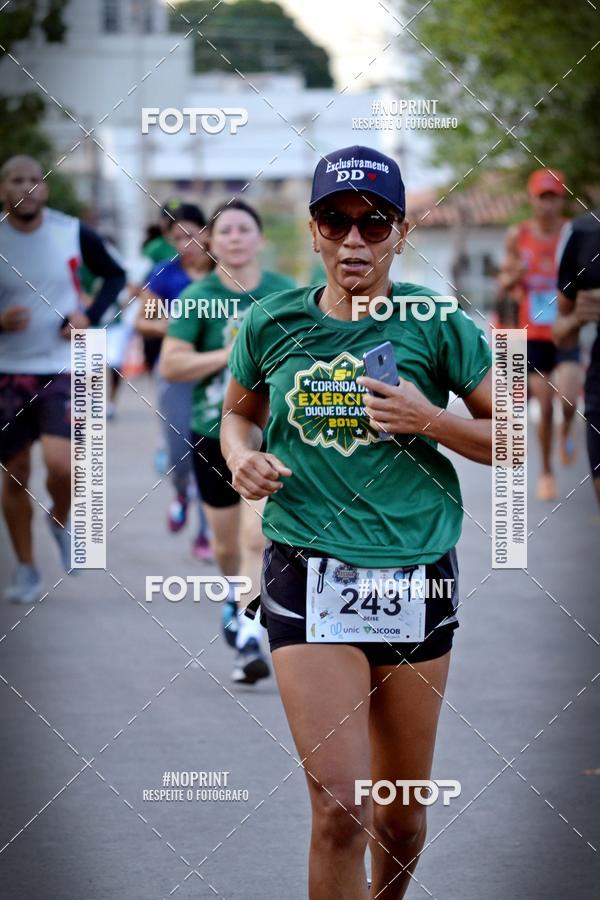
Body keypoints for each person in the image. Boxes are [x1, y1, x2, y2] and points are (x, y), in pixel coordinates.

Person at [220, 145, 493, 899]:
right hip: (307, 571)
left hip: (417, 576)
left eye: (373, 224)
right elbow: (236, 417)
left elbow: (509, 437)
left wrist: (430, 418)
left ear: (400, 233)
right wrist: (241, 457)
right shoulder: (271, 321)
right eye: (334, 221)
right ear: (311, 230)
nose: (353, 241)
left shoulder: (436, 323)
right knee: (341, 808)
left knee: (400, 819)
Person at [160, 198, 294, 683]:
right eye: (226, 231)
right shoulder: (199, 297)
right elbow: (172, 363)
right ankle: (234, 603)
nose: (235, 237)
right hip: (211, 433)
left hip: (267, 434)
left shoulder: (287, 294)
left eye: (244, 229)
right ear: (211, 244)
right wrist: (231, 356)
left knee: (255, 536)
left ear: (259, 239)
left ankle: (250, 636)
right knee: (226, 548)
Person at [0, 155, 126, 603]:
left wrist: (88, 316)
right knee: (13, 474)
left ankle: (60, 519)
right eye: (17, 180)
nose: (28, 187)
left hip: (64, 364)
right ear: (3, 189)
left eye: (36, 180)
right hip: (6, 372)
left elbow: (116, 275)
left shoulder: (70, 231)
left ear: (46, 188)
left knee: (64, 466)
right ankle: (28, 569)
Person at [135, 203, 213, 559]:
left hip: (216, 375)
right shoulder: (165, 273)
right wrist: (178, 326)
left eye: (194, 234)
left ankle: (206, 532)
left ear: (208, 233)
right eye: (179, 237)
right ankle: (181, 492)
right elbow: (144, 321)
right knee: (181, 454)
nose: (188, 243)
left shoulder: (223, 273)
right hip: (177, 373)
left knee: (215, 456)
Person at [498, 168, 581, 501]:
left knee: (570, 399)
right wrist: (512, 277)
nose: (547, 205)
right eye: (541, 197)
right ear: (532, 199)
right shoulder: (517, 236)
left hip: (566, 330)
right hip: (532, 334)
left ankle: (567, 431)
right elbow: (504, 283)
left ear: (561, 199)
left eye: (553, 197)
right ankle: (546, 471)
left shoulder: (571, 234)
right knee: (543, 407)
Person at [554, 210, 600, 507]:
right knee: (552, 404)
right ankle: (550, 459)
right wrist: (575, 320)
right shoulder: (583, 232)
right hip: (595, 372)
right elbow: (561, 328)